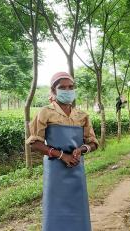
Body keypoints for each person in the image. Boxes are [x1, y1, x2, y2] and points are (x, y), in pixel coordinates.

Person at [26, 72, 99, 231]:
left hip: (76, 167)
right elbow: (35, 143)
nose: (67, 90)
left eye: (71, 87)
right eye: (62, 87)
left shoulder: (82, 115)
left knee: (77, 206)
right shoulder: (45, 112)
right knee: (55, 208)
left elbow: (93, 143)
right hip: (55, 170)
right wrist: (61, 155)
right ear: (54, 91)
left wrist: (81, 149)